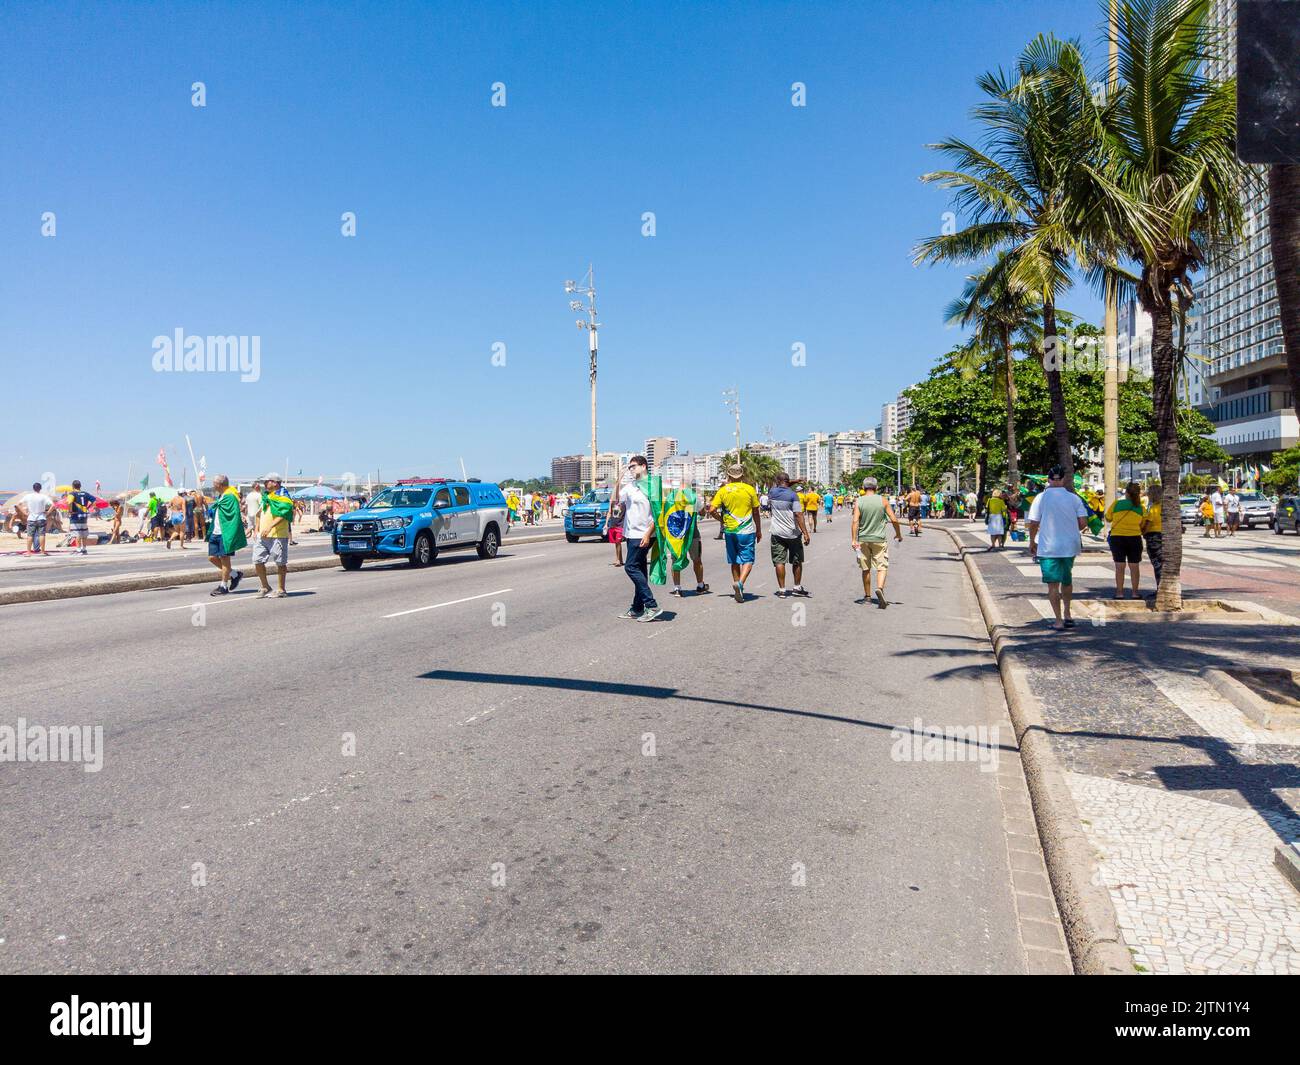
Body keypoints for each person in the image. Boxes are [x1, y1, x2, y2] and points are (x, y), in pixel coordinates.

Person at [1027, 465, 1089, 631]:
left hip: (1049, 546)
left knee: (1053, 585)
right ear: (1063, 479)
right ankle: (1068, 614)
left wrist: (1032, 541)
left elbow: (1033, 522)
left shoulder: (1041, 498)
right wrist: (1069, 527)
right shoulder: (1074, 498)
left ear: (1048, 479)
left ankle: (1058, 620)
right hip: (1070, 545)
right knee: (1067, 579)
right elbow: (1083, 523)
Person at [616, 456, 661, 622]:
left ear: (643, 466)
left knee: (630, 567)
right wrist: (617, 482)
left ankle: (651, 604)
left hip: (643, 534)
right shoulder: (631, 486)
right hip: (630, 534)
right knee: (640, 569)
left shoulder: (653, 486)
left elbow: (659, 513)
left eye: (633, 466)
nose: (631, 469)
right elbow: (617, 502)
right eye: (630, 467)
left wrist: (648, 534)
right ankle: (637, 608)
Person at [709, 463, 762, 603]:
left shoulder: (723, 490)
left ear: (728, 475)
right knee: (748, 560)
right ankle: (739, 584)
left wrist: (721, 520)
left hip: (730, 531)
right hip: (746, 531)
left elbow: (712, 510)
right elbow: (756, 511)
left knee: (734, 561)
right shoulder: (749, 489)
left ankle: (738, 588)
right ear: (742, 475)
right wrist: (759, 530)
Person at [851, 477, 902, 608]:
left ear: (863, 488)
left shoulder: (859, 501)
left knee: (865, 568)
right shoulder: (883, 500)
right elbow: (894, 519)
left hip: (863, 539)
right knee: (882, 566)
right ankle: (879, 588)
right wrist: (898, 534)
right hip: (879, 539)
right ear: (876, 487)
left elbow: (855, 521)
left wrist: (854, 539)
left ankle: (867, 597)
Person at [767, 471, 810, 598]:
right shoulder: (793, 495)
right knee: (796, 561)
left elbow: (782, 484)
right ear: (788, 481)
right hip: (792, 534)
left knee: (779, 561)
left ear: (777, 482)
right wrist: (806, 533)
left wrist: (794, 481)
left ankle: (781, 590)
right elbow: (798, 514)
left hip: (776, 533)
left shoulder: (772, 493)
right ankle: (797, 587)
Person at [253, 476, 294, 598]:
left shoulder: (284, 497)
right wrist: (256, 529)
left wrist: (270, 526)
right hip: (262, 535)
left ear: (275, 483)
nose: (264, 484)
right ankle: (265, 587)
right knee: (257, 560)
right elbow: (259, 513)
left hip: (278, 535)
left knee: (280, 562)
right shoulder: (266, 496)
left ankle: (281, 589)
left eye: (267, 481)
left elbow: (284, 514)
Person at [668, 479, 709, 597]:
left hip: (676, 536)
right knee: (697, 560)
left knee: (675, 561)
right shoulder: (694, 497)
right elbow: (702, 513)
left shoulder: (671, 498)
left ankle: (677, 588)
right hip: (692, 534)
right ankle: (700, 585)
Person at [1104, 481, 1145, 599]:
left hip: (1117, 538)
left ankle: (1119, 592)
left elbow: (1108, 518)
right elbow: (1143, 523)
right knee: (1134, 567)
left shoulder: (1117, 504)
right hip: (1134, 538)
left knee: (1119, 566)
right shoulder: (1140, 507)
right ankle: (1135, 593)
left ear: (1126, 493)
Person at [207, 474, 246, 595]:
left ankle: (223, 586)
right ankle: (235, 574)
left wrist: (232, 533)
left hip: (225, 533)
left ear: (219, 484)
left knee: (225, 560)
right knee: (212, 558)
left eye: (214, 483)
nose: (213, 485)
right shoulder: (221, 496)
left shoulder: (230, 497)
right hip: (215, 531)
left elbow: (234, 516)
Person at [21, 482, 55, 555]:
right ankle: (42, 551)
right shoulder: (43, 496)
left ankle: (28, 552)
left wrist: (24, 512)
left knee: (30, 535)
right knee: (41, 535)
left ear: (33, 488)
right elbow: (53, 505)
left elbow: (18, 504)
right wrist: (48, 512)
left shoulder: (28, 496)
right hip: (41, 516)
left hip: (31, 517)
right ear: (40, 488)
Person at [65, 480, 98, 555]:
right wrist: (89, 507)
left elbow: (69, 502)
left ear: (73, 486)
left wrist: (70, 511)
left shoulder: (72, 493)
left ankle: (78, 549)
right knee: (84, 533)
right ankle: (84, 549)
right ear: (80, 486)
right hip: (84, 516)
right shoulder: (85, 493)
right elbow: (94, 500)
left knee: (77, 534)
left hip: (75, 516)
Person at [1141, 483, 1164, 588]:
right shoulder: (1165, 507)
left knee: (1157, 563)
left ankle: (1160, 587)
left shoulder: (1154, 508)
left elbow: (1148, 524)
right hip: (1164, 535)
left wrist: (1143, 532)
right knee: (1163, 563)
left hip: (1154, 537)